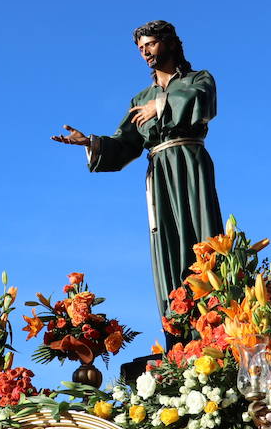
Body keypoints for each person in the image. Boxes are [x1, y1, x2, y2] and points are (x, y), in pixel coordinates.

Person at [52, 20, 223, 322]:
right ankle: (180, 323)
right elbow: (126, 144)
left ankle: (216, 315)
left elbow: (201, 101)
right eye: (141, 48)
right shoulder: (139, 99)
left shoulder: (198, 79)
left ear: (169, 42)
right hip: (159, 172)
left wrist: (162, 105)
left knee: (201, 232)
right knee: (167, 244)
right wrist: (90, 142)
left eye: (151, 44)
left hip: (189, 162)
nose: (146, 52)